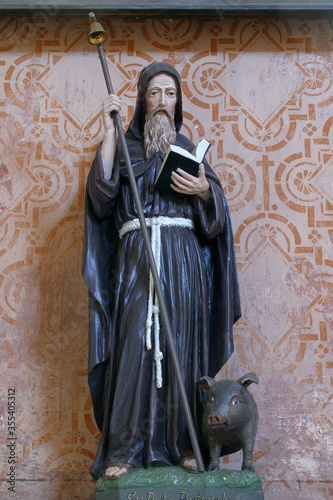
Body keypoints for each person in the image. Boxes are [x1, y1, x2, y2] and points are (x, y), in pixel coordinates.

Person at [82, 62, 241, 480]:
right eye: (154, 94)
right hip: (137, 261)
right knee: (134, 348)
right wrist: (108, 132)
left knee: (181, 352)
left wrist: (207, 191)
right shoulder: (124, 144)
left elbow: (216, 220)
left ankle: (185, 445)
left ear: (178, 102)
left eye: (170, 94)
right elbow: (100, 200)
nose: (162, 103)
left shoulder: (188, 149)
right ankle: (123, 449)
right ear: (140, 100)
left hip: (183, 264)